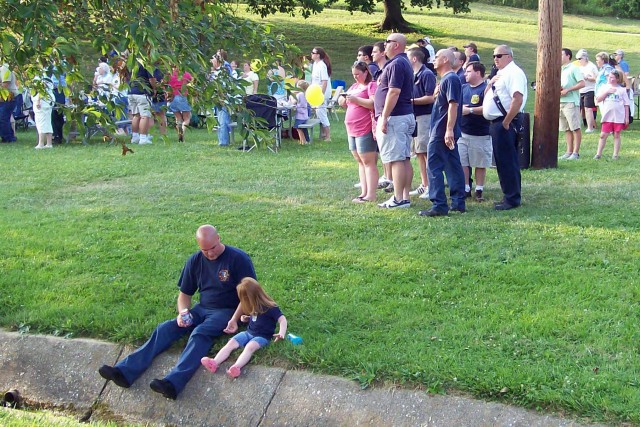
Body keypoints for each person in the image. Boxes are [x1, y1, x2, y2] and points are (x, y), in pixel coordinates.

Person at [98, 225, 257, 400]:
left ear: (218, 238)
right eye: (205, 250)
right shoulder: (195, 261)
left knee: (200, 333)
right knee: (165, 328)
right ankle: (124, 372)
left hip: (227, 311)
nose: (210, 254)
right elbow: (184, 295)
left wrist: (235, 319)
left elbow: (249, 295)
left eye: (212, 248)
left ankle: (173, 383)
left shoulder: (238, 259)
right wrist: (183, 312)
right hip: (202, 309)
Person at [200, 277, 287, 378]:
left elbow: (282, 319)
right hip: (248, 332)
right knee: (231, 342)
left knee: (250, 347)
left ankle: (236, 367)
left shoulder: (271, 307)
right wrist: (247, 318)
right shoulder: (253, 305)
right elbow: (255, 318)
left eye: (245, 300)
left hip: (262, 336)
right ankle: (214, 362)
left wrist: (281, 333)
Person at [418, 49, 465, 217]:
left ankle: (439, 204)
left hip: (441, 131)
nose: (433, 60)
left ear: (445, 59)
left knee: (433, 166)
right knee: (453, 165)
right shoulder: (446, 80)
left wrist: (449, 129)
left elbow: (453, 105)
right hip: (443, 130)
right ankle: (458, 202)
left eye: (437, 57)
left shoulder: (451, 79)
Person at [482, 44, 527, 211]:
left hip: (506, 122)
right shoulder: (501, 73)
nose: (495, 59)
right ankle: (508, 195)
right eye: (494, 56)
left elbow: (517, 99)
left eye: (499, 56)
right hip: (498, 122)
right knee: (502, 161)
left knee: (508, 161)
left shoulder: (514, 73)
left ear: (509, 56)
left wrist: (507, 122)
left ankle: (512, 198)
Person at [374, 33, 416, 209]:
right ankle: (404, 197)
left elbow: (393, 92)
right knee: (404, 158)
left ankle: (398, 198)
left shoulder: (397, 63)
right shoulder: (402, 62)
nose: (385, 44)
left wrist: (384, 116)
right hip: (403, 116)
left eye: (387, 42)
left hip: (396, 117)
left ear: (397, 45)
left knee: (397, 159)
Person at [339, 61, 378, 203]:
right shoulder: (355, 86)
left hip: (365, 127)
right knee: (360, 161)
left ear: (366, 72)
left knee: (368, 161)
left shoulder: (371, 85)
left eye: (358, 74)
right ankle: (364, 192)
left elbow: (374, 104)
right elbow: (344, 101)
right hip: (352, 128)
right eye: (353, 74)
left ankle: (371, 194)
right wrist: (342, 99)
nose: (355, 77)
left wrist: (356, 99)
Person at [406, 48, 436, 201]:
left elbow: (430, 97)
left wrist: (411, 101)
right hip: (414, 116)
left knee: (425, 151)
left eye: (407, 57)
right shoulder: (412, 75)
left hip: (424, 116)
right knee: (418, 151)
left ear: (414, 59)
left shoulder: (427, 74)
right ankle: (424, 184)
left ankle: (432, 186)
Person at [460, 62, 492, 202]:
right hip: (462, 132)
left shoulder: (486, 89)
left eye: (468, 71)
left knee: (480, 163)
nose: (465, 74)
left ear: (478, 73)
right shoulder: (463, 88)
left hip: (480, 133)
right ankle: (466, 188)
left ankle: (479, 189)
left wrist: (470, 110)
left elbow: (488, 108)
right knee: (463, 162)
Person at [594, 70, 630, 160]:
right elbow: (598, 99)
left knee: (617, 134)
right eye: (609, 77)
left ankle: (615, 154)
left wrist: (626, 117)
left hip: (618, 116)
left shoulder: (622, 90)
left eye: (612, 77)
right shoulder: (604, 87)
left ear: (617, 79)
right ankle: (598, 154)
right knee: (603, 135)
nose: (609, 79)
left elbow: (626, 104)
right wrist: (607, 92)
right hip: (607, 116)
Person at [558, 48, 585, 160]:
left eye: (561, 54)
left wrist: (568, 90)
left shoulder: (574, 68)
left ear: (568, 56)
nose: (559, 57)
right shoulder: (560, 69)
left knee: (575, 127)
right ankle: (569, 151)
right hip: (561, 102)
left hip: (571, 102)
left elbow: (582, 83)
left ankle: (575, 153)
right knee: (566, 128)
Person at [128, 60, 156, 145]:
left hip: (131, 91)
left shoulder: (132, 64)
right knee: (144, 116)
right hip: (142, 92)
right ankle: (143, 138)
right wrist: (154, 89)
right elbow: (151, 79)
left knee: (136, 115)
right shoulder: (146, 64)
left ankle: (135, 137)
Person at [311, 47, 332, 142]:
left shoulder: (322, 65)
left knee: (321, 112)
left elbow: (324, 82)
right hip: (316, 92)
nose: (311, 54)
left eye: (313, 53)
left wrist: (321, 95)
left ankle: (328, 136)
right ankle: (323, 133)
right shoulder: (315, 64)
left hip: (321, 92)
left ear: (318, 55)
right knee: (318, 112)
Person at [210, 54, 232, 146]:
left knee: (222, 120)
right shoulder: (216, 71)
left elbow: (224, 85)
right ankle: (223, 140)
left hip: (223, 99)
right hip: (217, 99)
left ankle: (223, 142)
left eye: (213, 59)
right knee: (221, 120)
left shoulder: (224, 70)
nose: (211, 60)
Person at [168, 66, 193, 142]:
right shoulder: (185, 74)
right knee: (186, 118)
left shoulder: (169, 75)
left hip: (172, 97)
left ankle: (179, 134)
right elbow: (192, 82)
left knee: (178, 118)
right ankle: (182, 132)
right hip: (183, 96)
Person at [576, 49, 598, 133]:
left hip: (590, 90)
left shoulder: (591, 66)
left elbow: (596, 78)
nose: (578, 61)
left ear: (585, 58)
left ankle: (590, 127)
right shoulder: (579, 67)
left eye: (579, 59)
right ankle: (582, 124)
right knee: (581, 109)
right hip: (581, 90)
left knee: (588, 109)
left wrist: (587, 77)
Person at [32, 77, 55, 149]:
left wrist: (38, 101)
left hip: (43, 102)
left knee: (41, 122)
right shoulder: (47, 76)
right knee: (47, 122)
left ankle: (41, 143)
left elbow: (41, 89)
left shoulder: (39, 77)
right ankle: (49, 143)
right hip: (48, 101)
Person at [0, 62, 19, 143]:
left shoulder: (5, 68)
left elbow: (5, 85)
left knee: (3, 118)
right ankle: (10, 136)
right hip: (6, 97)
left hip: (9, 97)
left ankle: (7, 138)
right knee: (4, 118)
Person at [290, 79, 310, 145]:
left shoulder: (299, 95)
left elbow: (294, 102)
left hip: (300, 116)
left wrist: (291, 97)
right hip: (305, 116)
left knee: (297, 127)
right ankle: (307, 140)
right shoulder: (305, 94)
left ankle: (303, 141)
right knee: (303, 128)